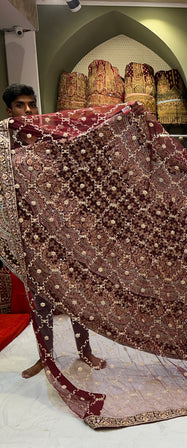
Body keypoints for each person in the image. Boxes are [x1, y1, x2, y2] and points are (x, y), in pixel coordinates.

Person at [2, 83, 106, 378]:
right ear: (10, 111)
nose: (29, 111)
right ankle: (45, 358)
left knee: (76, 296)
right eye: (21, 106)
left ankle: (85, 351)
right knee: (41, 302)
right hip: (31, 238)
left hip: (64, 233)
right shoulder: (5, 150)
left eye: (32, 104)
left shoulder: (49, 140)